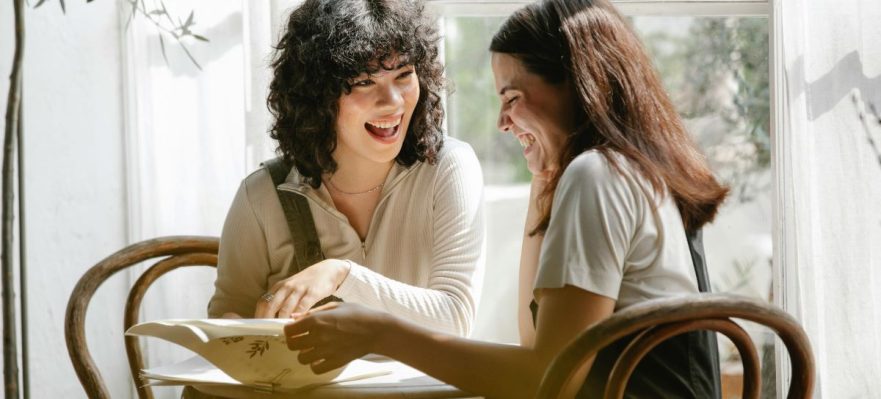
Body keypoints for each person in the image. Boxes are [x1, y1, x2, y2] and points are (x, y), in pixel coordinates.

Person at [282, 0, 729, 398]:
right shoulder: (626, 170)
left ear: (578, 85)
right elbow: (535, 343)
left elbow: (548, 380)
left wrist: (380, 333)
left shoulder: (598, 176)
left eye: (511, 97)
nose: (501, 121)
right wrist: (544, 180)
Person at [207, 0, 485, 338]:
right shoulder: (261, 194)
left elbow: (455, 319)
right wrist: (240, 331)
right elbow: (228, 316)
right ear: (316, 95)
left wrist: (343, 275)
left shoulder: (448, 168)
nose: (394, 101)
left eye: (403, 75)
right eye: (366, 82)